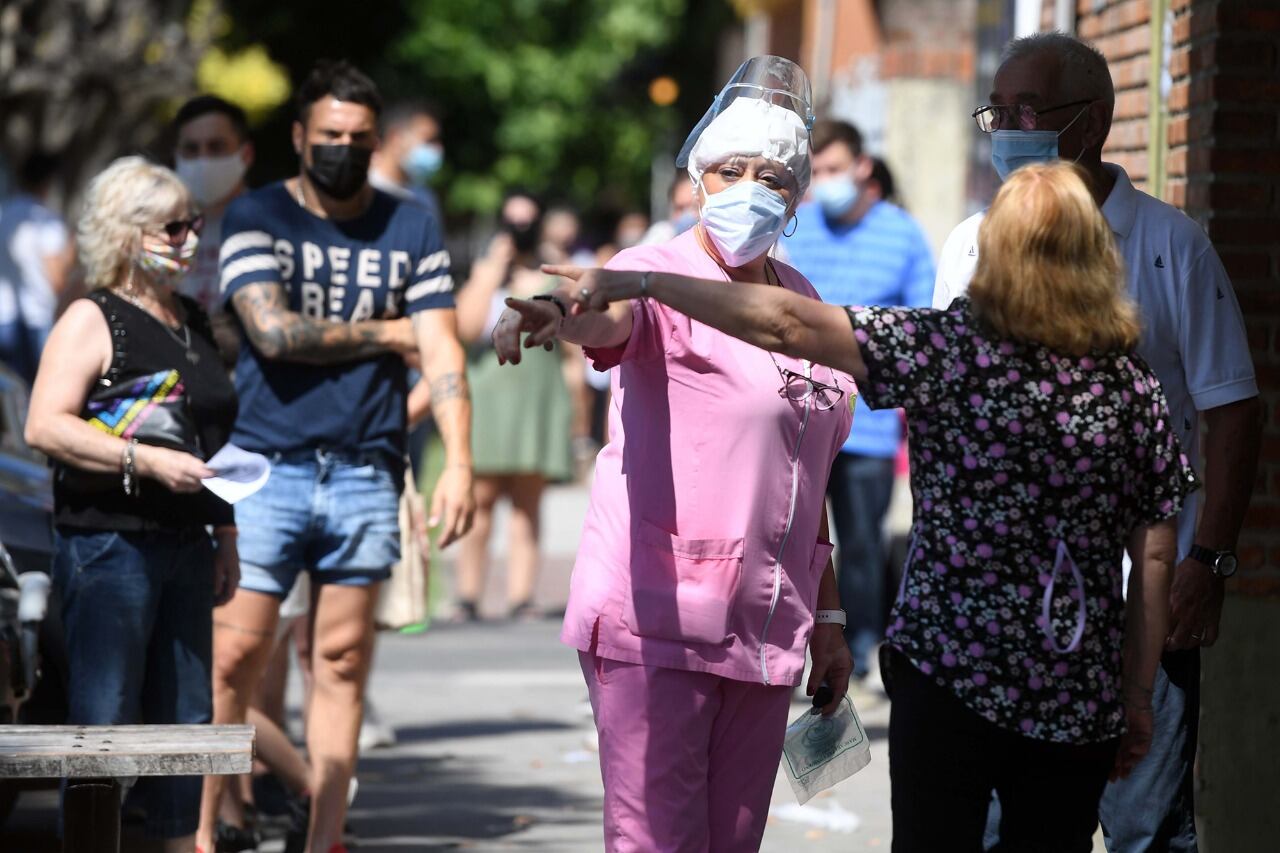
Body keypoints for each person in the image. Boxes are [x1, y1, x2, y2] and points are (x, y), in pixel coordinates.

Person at [559, 160, 1201, 853]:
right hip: (1072, 683)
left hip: (947, 675)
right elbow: (1155, 552)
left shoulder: (946, 350)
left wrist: (649, 282)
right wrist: (1138, 696)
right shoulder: (1131, 387)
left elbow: (783, 325)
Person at [493, 56, 855, 851]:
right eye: (730, 170)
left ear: (795, 193)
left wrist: (827, 613)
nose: (750, 188)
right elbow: (603, 307)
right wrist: (554, 311)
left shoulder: (800, 299)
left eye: (772, 174)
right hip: (658, 618)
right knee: (655, 840)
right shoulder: (660, 275)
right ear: (696, 179)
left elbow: (806, 471)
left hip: (767, 628)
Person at [933, 33, 1261, 853]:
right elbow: (941, 409)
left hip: (1142, 609)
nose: (1008, 129)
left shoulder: (1170, 245)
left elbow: (1232, 412)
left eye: (1027, 111)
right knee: (1008, 827)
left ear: (1092, 123)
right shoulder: (970, 243)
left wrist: (1208, 563)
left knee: (1145, 827)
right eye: (997, 112)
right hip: (1004, 609)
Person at [198, 60, 474, 853]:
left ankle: (323, 838)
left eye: (357, 139)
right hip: (265, 467)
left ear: (375, 140)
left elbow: (445, 351)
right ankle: (208, 828)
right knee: (235, 656)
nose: (342, 151)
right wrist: (395, 333)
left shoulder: (411, 223)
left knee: (342, 661)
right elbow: (274, 331)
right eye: (328, 137)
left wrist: (459, 458)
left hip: (365, 466)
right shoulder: (254, 216)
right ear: (299, 137)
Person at [23, 156, 238, 852]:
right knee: (107, 721)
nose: (187, 238)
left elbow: (213, 436)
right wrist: (142, 459)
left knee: (185, 719)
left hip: (186, 542)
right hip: (108, 545)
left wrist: (226, 531)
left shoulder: (192, 318)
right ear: (125, 232)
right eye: (171, 226)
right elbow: (43, 424)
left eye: (193, 223)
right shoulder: (93, 315)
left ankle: (180, 843)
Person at [784, 120, 935, 681]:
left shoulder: (903, 235)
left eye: (832, 169)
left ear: (861, 166)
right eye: (815, 172)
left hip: (869, 426)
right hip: (797, 418)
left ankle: (866, 647)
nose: (824, 182)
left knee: (861, 545)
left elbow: (925, 327)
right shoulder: (795, 231)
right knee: (795, 540)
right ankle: (797, 645)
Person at [453, 190, 575, 620]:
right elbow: (465, 329)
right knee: (479, 503)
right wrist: (489, 271)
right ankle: (468, 595)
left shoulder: (551, 276)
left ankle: (522, 596)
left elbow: (575, 346)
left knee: (527, 505)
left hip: (536, 402)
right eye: (511, 223)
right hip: (486, 400)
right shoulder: (486, 275)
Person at [0, 151, 75, 384]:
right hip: (38, 318)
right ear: (48, 182)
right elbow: (56, 278)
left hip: (3, 317)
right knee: (42, 389)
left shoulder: (4, 212)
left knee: (11, 397)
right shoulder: (47, 221)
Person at [367, 99, 444, 223]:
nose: (437, 149)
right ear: (396, 138)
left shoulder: (424, 199)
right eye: (429, 140)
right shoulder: (362, 189)